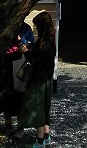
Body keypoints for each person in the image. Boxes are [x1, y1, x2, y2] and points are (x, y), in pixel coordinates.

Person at [14, 11, 56, 147]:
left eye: (37, 26)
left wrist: (26, 52)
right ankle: (46, 136)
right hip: (47, 79)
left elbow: (36, 60)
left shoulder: (44, 42)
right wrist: (31, 48)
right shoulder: (50, 39)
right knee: (45, 107)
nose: (35, 28)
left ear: (41, 26)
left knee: (36, 108)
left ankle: (40, 141)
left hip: (39, 79)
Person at [3, 21, 35, 133]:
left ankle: (20, 126)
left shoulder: (25, 28)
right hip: (6, 65)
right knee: (7, 96)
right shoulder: (6, 24)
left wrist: (22, 44)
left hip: (18, 64)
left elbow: (31, 44)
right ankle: (8, 125)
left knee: (19, 96)